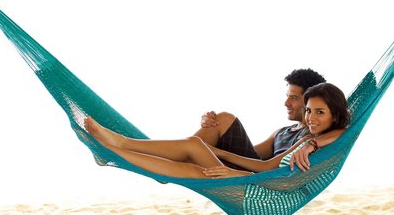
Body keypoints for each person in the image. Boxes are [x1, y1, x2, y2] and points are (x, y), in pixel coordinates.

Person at [83, 83, 350, 179]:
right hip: (251, 178)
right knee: (197, 164)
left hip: (257, 186)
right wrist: (219, 147)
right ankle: (115, 151)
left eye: (318, 112)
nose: (310, 116)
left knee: (194, 150)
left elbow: (345, 131)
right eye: (309, 110)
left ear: (333, 114)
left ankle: (119, 144)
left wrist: (312, 144)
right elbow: (261, 159)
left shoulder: (318, 139)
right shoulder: (298, 136)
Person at [192, 68, 326, 170]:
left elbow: (343, 126)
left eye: (294, 98)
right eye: (287, 96)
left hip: (256, 180)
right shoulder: (281, 132)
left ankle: (177, 163)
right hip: (245, 168)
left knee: (222, 121)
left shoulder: (313, 136)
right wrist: (212, 129)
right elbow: (248, 155)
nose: (286, 103)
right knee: (220, 121)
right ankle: (176, 164)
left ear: (311, 101)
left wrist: (209, 150)